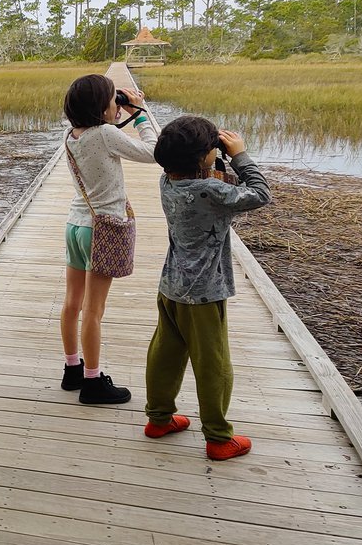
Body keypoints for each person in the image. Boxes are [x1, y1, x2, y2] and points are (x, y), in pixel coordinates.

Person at [144, 115, 271, 460]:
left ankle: (159, 419)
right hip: (204, 293)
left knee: (165, 353)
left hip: (171, 285)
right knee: (213, 364)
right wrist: (240, 155)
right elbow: (260, 194)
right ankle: (217, 438)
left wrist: (214, 156)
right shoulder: (212, 190)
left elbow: (213, 178)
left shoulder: (166, 182)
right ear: (203, 158)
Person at [60, 74, 157, 405]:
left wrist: (121, 109)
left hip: (75, 225)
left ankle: (73, 368)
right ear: (101, 108)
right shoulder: (105, 134)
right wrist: (141, 113)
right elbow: (156, 152)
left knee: (72, 303)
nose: (118, 105)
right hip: (101, 229)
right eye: (113, 100)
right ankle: (92, 383)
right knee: (94, 311)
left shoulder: (72, 134)